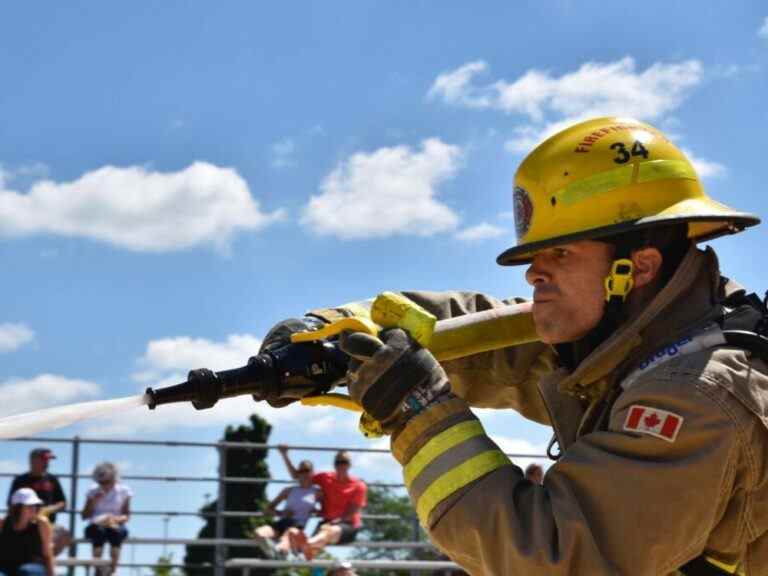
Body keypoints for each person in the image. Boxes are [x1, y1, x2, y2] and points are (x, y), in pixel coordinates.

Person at [264, 117, 768, 574]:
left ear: (639, 266)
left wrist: (417, 411)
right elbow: (484, 337)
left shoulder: (698, 395)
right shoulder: (633, 335)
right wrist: (330, 330)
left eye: (560, 252)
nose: (533, 271)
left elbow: (551, 557)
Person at [278, 446, 367, 560]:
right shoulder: (325, 477)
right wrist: (285, 455)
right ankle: (304, 549)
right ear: (334, 464)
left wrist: (332, 523)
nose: (341, 465)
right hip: (326, 523)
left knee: (327, 532)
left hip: (347, 525)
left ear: (350, 465)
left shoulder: (359, 486)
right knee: (309, 556)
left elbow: (351, 513)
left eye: (344, 462)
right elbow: (298, 476)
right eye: (338, 462)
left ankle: (304, 545)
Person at [7, 447, 71, 556]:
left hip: (48, 524)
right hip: (24, 525)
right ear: (33, 460)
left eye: (48, 460)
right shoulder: (20, 480)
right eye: (44, 460)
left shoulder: (52, 479)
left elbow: (63, 503)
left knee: (64, 535)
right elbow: (11, 504)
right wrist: (28, 514)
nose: (47, 463)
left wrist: (49, 509)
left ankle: (44, 560)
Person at [252, 458, 320, 557]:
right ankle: (276, 556)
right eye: (301, 471)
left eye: (307, 470)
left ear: (312, 472)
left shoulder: (317, 492)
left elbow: (326, 509)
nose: (304, 474)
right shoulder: (288, 490)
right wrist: (281, 513)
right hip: (283, 522)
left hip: (297, 527)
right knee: (259, 534)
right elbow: (268, 509)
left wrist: (316, 511)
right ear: (298, 473)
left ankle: (279, 555)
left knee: (284, 544)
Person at [82, 462, 132, 575]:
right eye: (101, 482)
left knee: (116, 533)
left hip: (115, 524)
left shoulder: (124, 491)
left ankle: (112, 571)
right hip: (96, 525)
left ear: (114, 478)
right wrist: (94, 501)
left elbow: (127, 516)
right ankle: (98, 570)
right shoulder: (93, 491)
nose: (104, 485)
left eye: (107, 482)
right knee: (98, 533)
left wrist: (114, 519)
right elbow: (84, 515)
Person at [0, 488, 55, 576]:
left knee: (26, 572)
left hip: (33, 567)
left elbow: (48, 555)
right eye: (29, 505)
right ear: (17, 508)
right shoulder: (3, 524)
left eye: (35, 505)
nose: (34, 508)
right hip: (6, 567)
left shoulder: (42, 524)